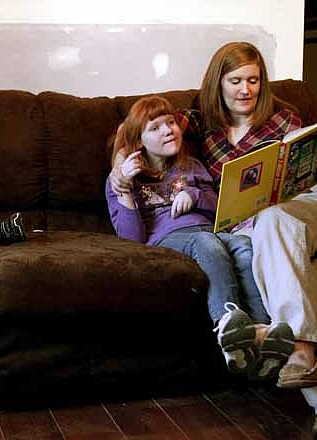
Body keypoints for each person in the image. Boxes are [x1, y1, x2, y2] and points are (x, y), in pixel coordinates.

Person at [109, 42, 317, 434]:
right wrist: (120, 175)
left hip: (303, 210)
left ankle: (300, 346)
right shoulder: (200, 127)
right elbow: (135, 132)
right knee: (308, 270)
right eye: (235, 81)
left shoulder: (285, 119)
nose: (246, 89)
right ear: (219, 83)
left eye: (254, 80)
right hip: (252, 229)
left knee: (273, 220)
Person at [106, 95, 295, 381]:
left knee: (244, 245)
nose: (168, 130)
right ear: (137, 143)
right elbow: (132, 239)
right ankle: (226, 319)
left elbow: (219, 206)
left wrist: (194, 195)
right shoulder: (122, 181)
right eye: (155, 128)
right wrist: (125, 191)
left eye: (170, 123)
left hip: (211, 231)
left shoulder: (191, 165)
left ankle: (260, 332)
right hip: (169, 240)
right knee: (207, 244)